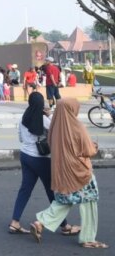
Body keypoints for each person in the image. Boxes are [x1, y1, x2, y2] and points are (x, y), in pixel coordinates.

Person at [30, 98, 106, 248]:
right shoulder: (77, 126)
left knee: (65, 200)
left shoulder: (54, 127)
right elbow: (88, 150)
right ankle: (88, 238)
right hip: (79, 171)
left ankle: (40, 223)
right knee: (89, 201)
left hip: (62, 171)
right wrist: (94, 146)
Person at [8, 92, 79, 236]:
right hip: (41, 159)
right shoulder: (43, 119)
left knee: (25, 189)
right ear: (41, 104)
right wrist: (50, 113)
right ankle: (65, 226)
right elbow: (57, 127)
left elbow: (21, 138)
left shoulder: (24, 117)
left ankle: (15, 222)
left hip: (25, 156)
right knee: (52, 191)